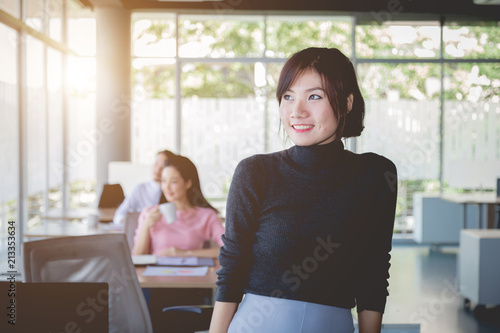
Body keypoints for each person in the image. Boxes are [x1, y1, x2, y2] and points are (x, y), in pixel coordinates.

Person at [210, 47, 398, 333]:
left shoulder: (376, 174)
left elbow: (373, 271)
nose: (296, 112)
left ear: (347, 102)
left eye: (314, 96)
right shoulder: (256, 172)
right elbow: (232, 267)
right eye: (288, 96)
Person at [132, 154, 225, 258]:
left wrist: (186, 254)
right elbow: (137, 258)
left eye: (173, 182)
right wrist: (146, 226)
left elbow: (230, 249)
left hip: (193, 273)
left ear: (188, 183)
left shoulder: (206, 216)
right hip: (156, 273)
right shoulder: (149, 213)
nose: (166, 187)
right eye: (163, 181)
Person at [112, 150, 176, 225]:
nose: (157, 169)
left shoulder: (173, 191)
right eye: (156, 164)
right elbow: (119, 215)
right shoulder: (140, 189)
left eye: (162, 166)